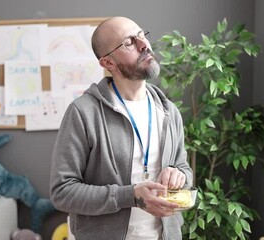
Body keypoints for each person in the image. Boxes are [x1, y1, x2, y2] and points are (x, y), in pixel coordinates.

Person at [50, 16, 193, 240]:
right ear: (108, 63)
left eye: (141, 35)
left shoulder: (168, 111)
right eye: (128, 43)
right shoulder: (83, 112)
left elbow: (185, 170)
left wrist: (179, 176)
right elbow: (62, 192)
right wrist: (130, 195)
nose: (143, 44)